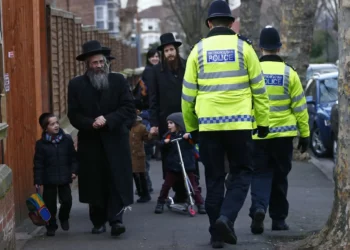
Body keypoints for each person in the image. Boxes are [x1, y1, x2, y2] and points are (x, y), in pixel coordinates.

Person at [181, 0, 270, 247]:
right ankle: (226, 218)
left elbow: (187, 96)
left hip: (209, 127)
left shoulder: (197, 51)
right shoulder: (245, 49)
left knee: (214, 179)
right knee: (242, 173)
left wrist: (192, 128)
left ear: (209, 23)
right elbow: (260, 91)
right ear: (231, 24)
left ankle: (215, 235)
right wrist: (262, 122)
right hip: (240, 126)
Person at [68, 40, 136, 237]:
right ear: (87, 65)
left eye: (101, 62)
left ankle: (116, 221)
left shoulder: (119, 81)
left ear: (106, 62)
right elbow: (73, 115)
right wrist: (91, 123)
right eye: (94, 63)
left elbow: (128, 108)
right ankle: (97, 221)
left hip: (115, 139)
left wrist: (108, 119)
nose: (98, 66)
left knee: (116, 180)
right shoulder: (76, 85)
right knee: (95, 181)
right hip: (91, 142)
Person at [249, 26, 310, 234]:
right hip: (284, 136)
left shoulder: (253, 72)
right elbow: (300, 107)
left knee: (259, 175)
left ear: (260, 47)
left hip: (258, 134)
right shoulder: (289, 73)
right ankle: (278, 220)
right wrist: (305, 134)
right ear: (278, 47)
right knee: (280, 177)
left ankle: (258, 208)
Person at [149, 33, 201, 203]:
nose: (170, 53)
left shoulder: (187, 66)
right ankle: (179, 191)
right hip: (167, 122)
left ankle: (194, 189)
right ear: (163, 53)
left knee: (190, 154)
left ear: (176, 50)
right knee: (170, 158)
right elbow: (153, 99)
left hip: (187, 119)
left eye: (172, 49)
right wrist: (155, 124)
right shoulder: (156, 72)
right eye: (166, 50)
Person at [33, 113, 78, 236]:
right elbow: (38, 164)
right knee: (50, 205)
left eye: (57, 122)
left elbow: (74, 158)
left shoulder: (67, 139)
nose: (56, 125)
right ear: (45, 127)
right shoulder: (41, 144)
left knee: (67, 201)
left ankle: (64, 217)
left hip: (65, 176)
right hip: (49, 179)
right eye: (52, 124)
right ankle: (51, 225)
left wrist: (74, 171)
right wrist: (37, 180)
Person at [154, 112, 206, 214]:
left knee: (193, 186)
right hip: (173, 166)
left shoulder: (186, 135)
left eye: (171, 123)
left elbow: (194, 142)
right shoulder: (168, 136)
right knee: (166, 185)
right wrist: (164, 143)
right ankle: (160, 202)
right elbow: (160, 145)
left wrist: (189, 137)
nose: (168, 125)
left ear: (178, 124)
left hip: (186, 165)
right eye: (168, 123)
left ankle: (200, 204)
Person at [130, 113, 153, 203]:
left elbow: (147, 139)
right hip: (130, 155)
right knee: (135, 176)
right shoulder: (126, 125)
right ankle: (141, 193)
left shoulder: (141, 127)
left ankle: (145, 194)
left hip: (138, 155)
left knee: (140, 175)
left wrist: (152, 134)